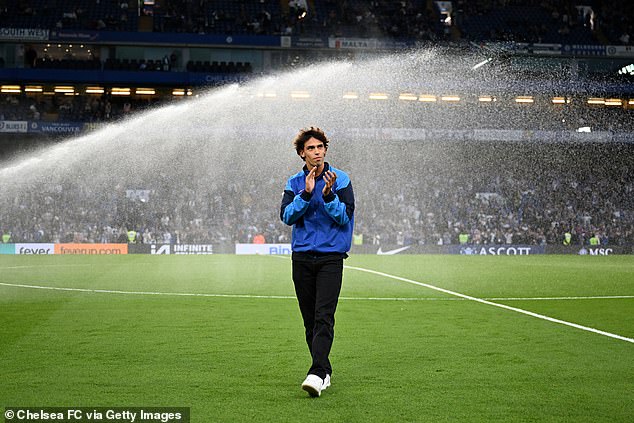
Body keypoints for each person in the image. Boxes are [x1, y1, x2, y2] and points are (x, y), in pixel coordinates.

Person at [280, 127, 355, 398]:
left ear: (325, 150)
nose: (317, 152)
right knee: (310, 320)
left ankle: (316, 373)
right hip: (301, 258)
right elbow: (286, 217)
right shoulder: (294, 183)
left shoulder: (341, 179)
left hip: (330, 258)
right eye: (311, 148)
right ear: (302, 154)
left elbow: (344, 217)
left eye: (320, 147)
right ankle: (324, 371)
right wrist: (306, 194)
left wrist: (328, 196)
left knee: (324, 316)